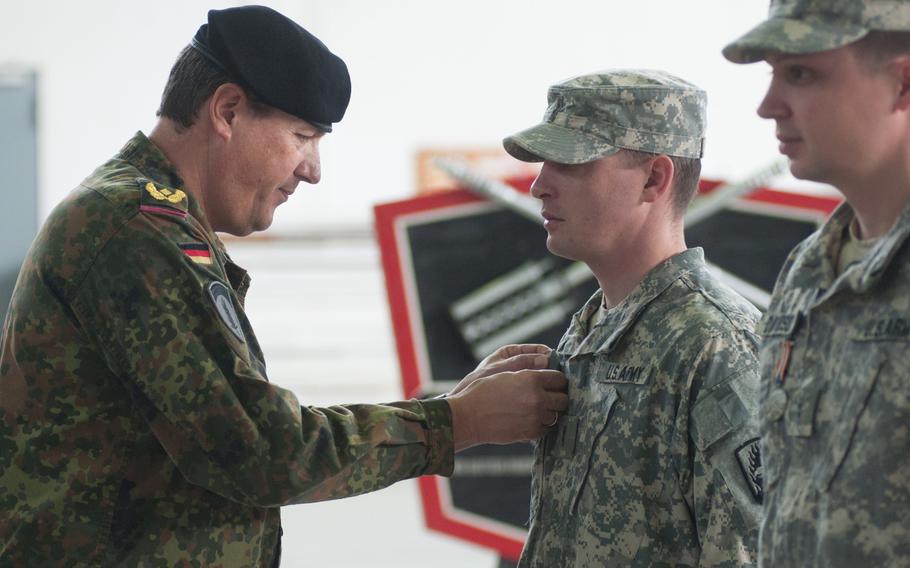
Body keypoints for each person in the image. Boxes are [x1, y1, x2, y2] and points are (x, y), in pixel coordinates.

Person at [0, 6, 568, 566]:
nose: (313, 169)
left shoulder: (149, 219)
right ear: (227, 110)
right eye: (302, 136)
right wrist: (456, 422)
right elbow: (257, 448)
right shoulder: (135, 229)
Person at [502, 69, 764, 567]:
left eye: (569, 164)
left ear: (654, 178)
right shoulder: (592, 330)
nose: (539, 186)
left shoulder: (718, 346)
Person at [723, 1, 910, 565]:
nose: (767, 106)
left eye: (801, 73)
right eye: (771, 74)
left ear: (903, 82)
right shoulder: (808, 271)